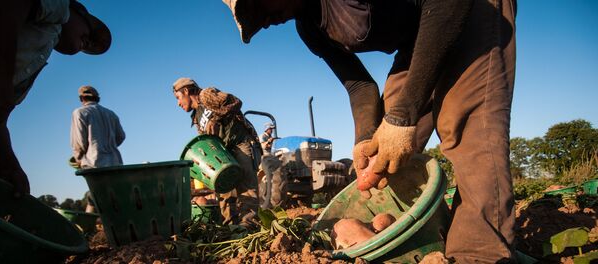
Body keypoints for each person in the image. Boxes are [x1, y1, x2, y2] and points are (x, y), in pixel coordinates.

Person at [222, 0, 517, 262]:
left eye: (256, 7)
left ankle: (480, 252)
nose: (263, 23)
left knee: (464, 124)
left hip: (470, 8)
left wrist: (402, 116)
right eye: (252, 21)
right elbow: (359, 85)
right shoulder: (309, 29)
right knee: (383, 155)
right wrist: (365, 137)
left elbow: (448, 6)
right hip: (418, 36)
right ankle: (413, 236)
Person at [0, 0, 111, 195]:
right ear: (77, 12)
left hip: (93, 164)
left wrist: (9, 165)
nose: (90, 42)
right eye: (90, 32)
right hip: (109, 164)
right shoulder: (61, 8)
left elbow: (0, 117)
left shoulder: (35, 62)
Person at [172, 77, 261, 226]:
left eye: (178, 98)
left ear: (186, 91)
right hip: (225, 153)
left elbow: (236, 102)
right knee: (223, 189)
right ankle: (230, 227)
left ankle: (248, 226)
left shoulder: (206, 95)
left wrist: (216, 118)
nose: (178, 103)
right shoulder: (196, 118)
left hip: (241, 143)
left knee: (246, 188)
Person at [70, 85, 125, 169]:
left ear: (81, 98)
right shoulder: (111, 114)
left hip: (94, 165)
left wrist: (78, 159)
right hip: (115, 163)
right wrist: (107, 146)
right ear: (97, 98)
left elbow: (79, 143)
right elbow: (121, 137)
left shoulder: (79, 112)